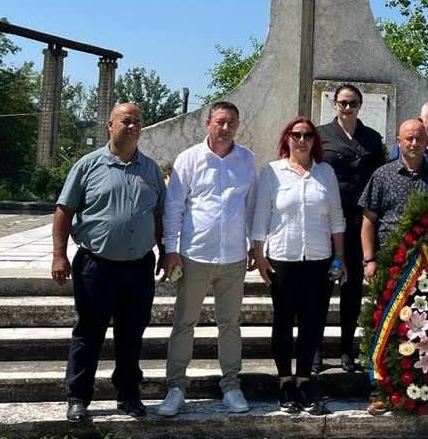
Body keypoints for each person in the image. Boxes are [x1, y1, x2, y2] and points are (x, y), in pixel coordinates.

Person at [51, 103, 165, 423]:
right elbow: (64, 211)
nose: (132, 126)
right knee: (89, 332)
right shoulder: (88, 166)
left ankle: (128, 395)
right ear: (110, 125)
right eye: (126, 121)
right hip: (96, 265)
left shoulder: (151, 170)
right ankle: (78, 397)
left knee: (132, 333)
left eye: (137, 122)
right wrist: (59, 255)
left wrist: (166, 250)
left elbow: (159, 214)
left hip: (138, 266)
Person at [156, 101, 258, 417]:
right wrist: (170, 249)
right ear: (208, 123)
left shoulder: (247, 160)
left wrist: (255, 246)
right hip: (194, 255)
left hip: (233, 257)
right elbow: (174, 207)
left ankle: (231, 386)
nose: (226, 128)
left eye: (232, 123)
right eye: (220, 122)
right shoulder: (189, 159)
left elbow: (251, 207)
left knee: (230, 324)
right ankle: (176, 387)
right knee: (184, 323)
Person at [359, 118, 428, 416]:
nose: (414, 143)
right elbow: (368, 222)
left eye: (419, 138)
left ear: (426, 141)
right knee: (388, 330)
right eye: (408, 138)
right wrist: (369, 260)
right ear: (398, 141)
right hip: (392, 266)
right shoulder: (382, 175)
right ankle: (383, 391)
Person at [251, 116, 346, 415]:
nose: (302, 140)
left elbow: (336, 219)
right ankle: (284, 381)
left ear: (315, 141)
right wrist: (259, 256)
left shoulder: (326, 173)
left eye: (307, 135)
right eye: (296, 135)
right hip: (283, 259)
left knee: (312, 323)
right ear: (287, 139)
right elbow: (260, 218)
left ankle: (304, 380)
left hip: (318, 259)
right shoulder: (272, 172)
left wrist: (340, 257)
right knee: (283, 322)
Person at [316, 84, 384, 373]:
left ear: (360, 106)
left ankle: (346, 349)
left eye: (352, 103)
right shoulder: (320, 135)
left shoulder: (372, 138)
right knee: (321, 289)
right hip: (327, 223)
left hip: (359, 223)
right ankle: (316, 350)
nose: (347, 108)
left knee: (352, 289)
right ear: (334, 104)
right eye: (342, 102)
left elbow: (379, 178)